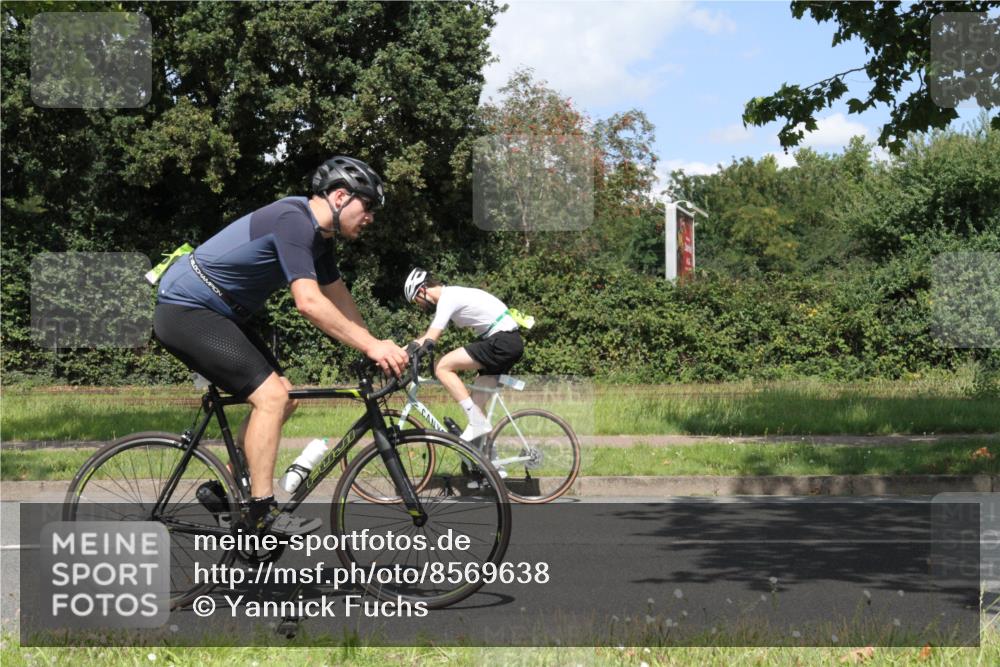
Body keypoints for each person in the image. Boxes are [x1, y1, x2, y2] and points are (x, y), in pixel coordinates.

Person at [154, 156, 409, 536]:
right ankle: (260, 511)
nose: (370, 216)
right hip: (187, 310)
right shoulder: (294, 221)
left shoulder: (320, 240)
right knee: (272, 397)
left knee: (285, 396)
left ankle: (227, 492)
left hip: (220, 312)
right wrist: (372, 347)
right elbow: (308, 302)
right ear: (340, 196)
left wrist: (374, 344)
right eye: (367, 205)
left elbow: (338, 298)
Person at [404, 268, 524, 446]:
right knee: (477, 406)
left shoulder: (448, 298)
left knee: (442, 367)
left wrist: (408, 353)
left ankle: (476, 421)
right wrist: (400, 352)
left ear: (422, 290)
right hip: (507, 341)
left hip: (502, 341)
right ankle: (494, 467)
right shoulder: (452, 295)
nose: (420, 306)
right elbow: (427, 337)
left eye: (417, 301)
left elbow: (431, 338)